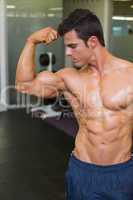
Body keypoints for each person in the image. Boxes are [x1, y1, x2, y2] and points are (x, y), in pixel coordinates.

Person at [16, 8, 133, 200]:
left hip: (121, 173)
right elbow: (24, 85)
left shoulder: (130, 75)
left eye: (73, 46)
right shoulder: (68, 77)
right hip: (82, 171)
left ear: (93, 42)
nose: (68, 53)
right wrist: (31, 41)